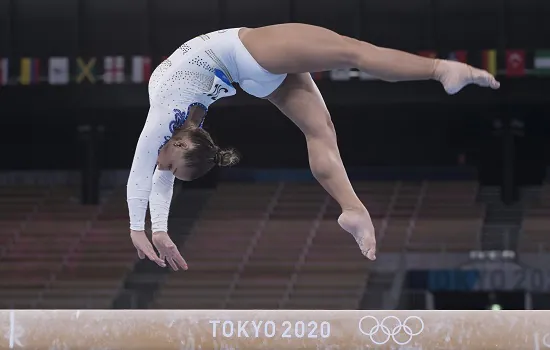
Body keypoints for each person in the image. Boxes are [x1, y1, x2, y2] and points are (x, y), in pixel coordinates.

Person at [128, 23, 500, 271]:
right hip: (247, 62)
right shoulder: (184, 127)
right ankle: (439, 71)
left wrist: (140, 229)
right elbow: (158, 175)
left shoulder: (162, 119)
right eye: (175, 170)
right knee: (350, 53)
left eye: (174, 168)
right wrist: (157, 228)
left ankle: (353, 208)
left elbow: (141, 173)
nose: (166, 171)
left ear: (179, 144)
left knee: (321, 130)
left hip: (244, 62)